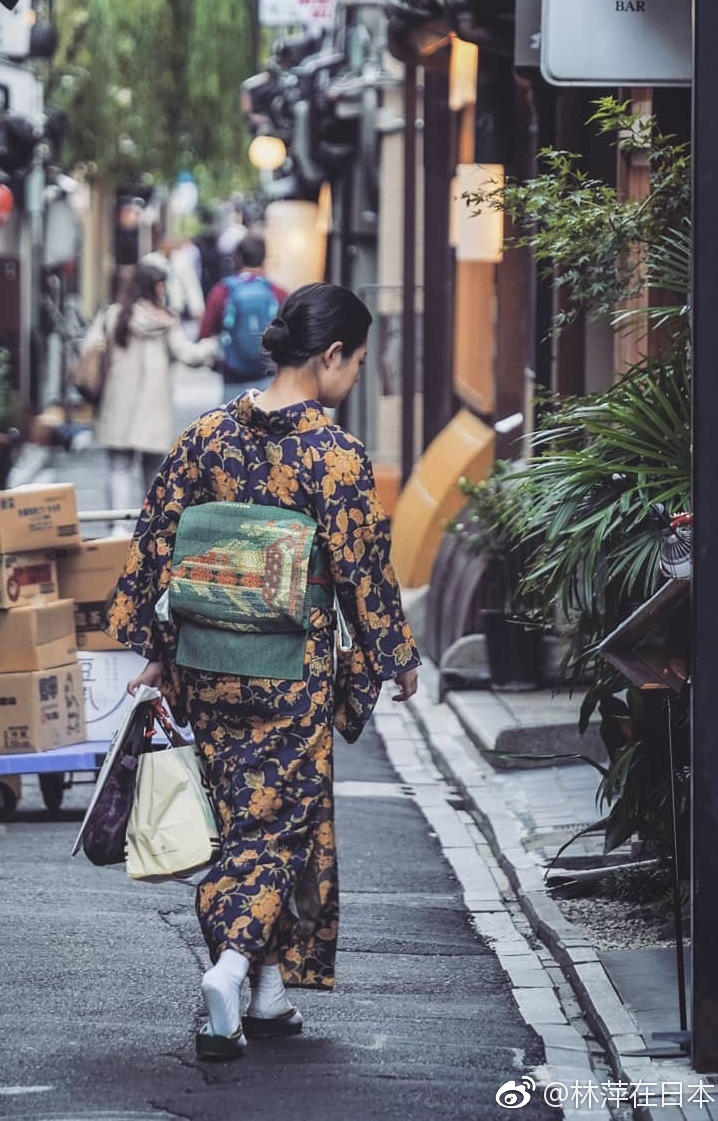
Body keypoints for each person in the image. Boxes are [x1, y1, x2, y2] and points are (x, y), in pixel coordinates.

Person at [105, 282, 420, 1059]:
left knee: (238, 819)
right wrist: (396, 656)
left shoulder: (206, 435)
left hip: (207, 662)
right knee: (279, 828)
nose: (354, 379)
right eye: (355, 363)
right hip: (291, 669)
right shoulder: (335, 455)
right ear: (330, 355)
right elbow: (362, 572)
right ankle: (232, 964)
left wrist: (153, 644)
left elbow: (155, 539)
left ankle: (269, 992)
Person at [84, 253, 219, 522]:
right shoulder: (165, 321)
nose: (164, 289)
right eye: (161, 284)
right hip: (154, 408)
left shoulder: (114, 315)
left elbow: (89, 348)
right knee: (154, 472)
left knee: (119, 466)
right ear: (153, 286)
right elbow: (187, 355)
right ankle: (150, 526)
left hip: (117, 402)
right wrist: (212, 345)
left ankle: (117, 526)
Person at [198, 233, 287, 397]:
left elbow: (205, 331)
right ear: (264, 258)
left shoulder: (222, 291)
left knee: (232, 419)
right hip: (267, 374)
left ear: (237, 257)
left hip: (233, 374)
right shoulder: (277, 293)